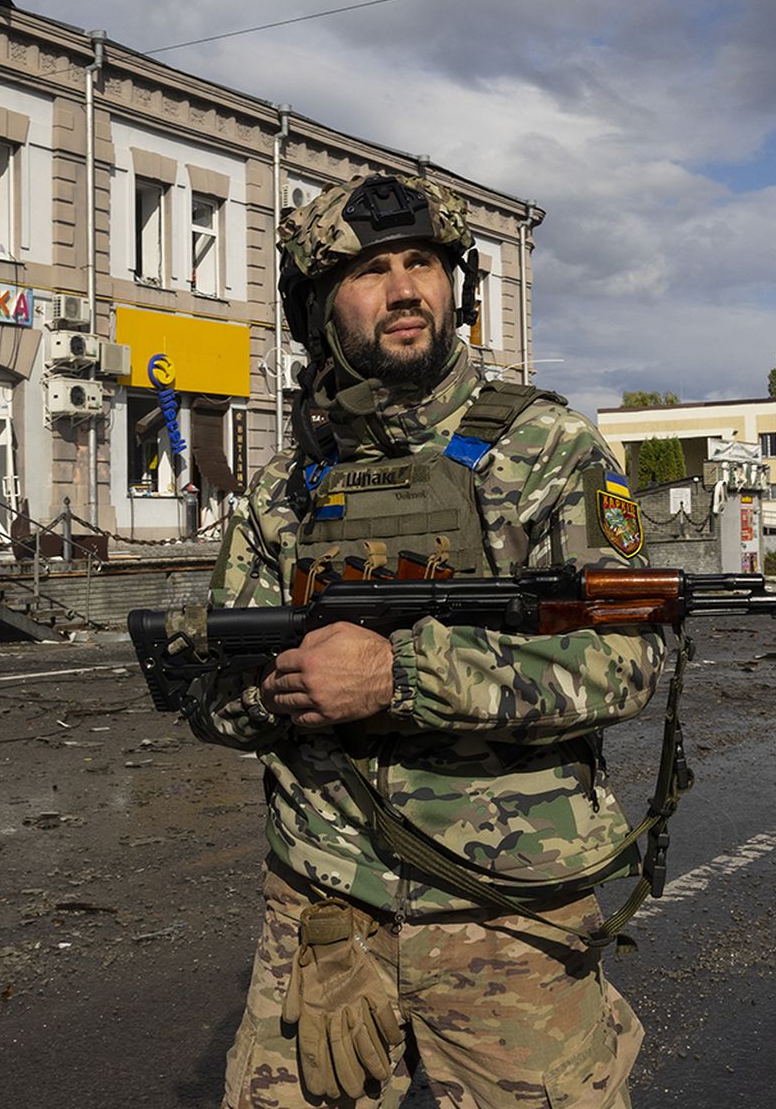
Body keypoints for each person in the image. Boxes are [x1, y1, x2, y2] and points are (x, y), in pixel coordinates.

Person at [185, 173, 663, 1108]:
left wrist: (397, 675)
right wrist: (293, 683)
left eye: (423, 263)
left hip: (512, 916)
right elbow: (210, 687)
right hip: (324, 914)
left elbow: (625, 662)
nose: (406, 289)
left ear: (457, 287)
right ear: (320, 309)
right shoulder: (285, 488)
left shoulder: (555, 450)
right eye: (370, 270)